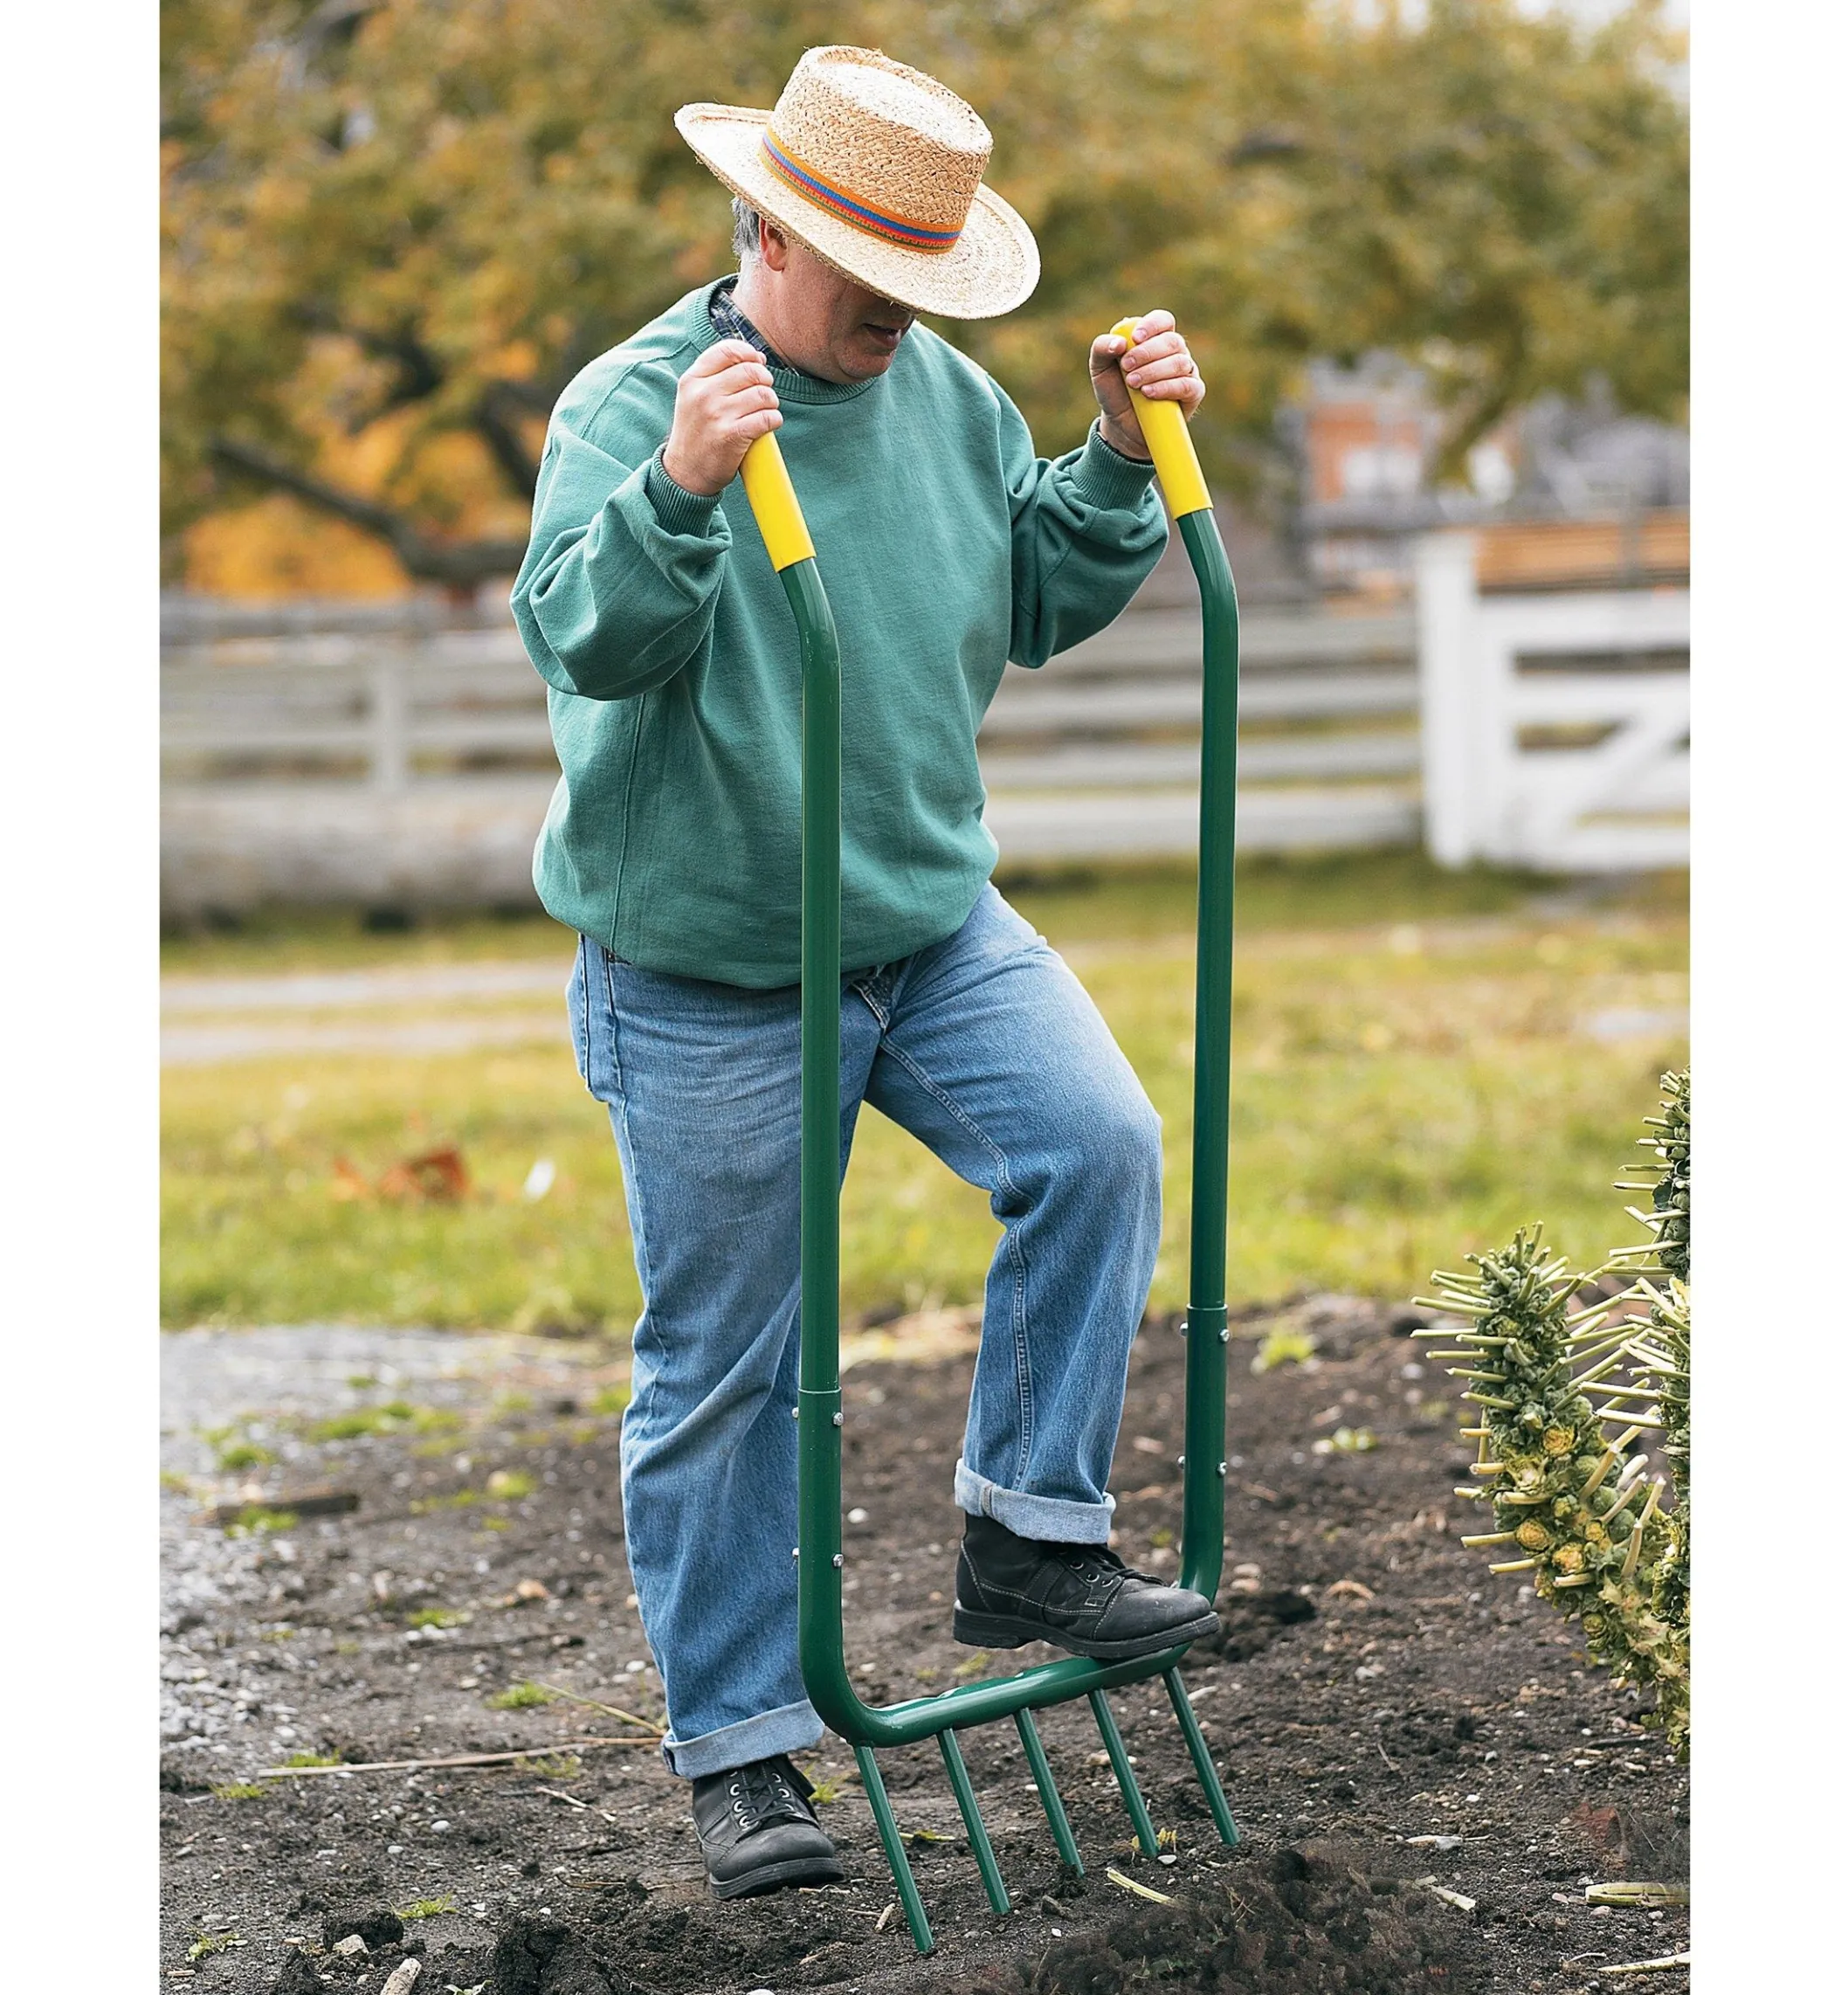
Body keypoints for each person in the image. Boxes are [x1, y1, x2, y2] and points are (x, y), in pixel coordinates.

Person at [511, 45, 1217, 1902]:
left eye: (922, 279)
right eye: (867, 275)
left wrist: (1111, 458)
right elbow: (580, 637)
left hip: (926, 922)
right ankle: (743, 1749)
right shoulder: (634, 403)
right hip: (713, 968)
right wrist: (681, 487)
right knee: (728, 1364)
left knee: (1100, 1144)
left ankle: (1028, 1533)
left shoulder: (949, 402)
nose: (899, 313)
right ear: (765, 232)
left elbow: (1032, 596)